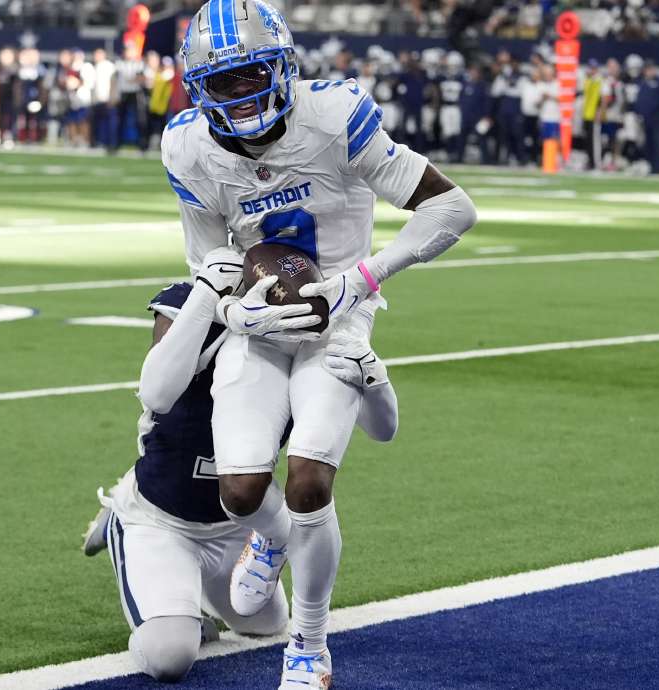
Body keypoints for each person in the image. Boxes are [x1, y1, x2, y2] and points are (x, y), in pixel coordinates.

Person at [165, 1, 478, 685]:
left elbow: (454, 208)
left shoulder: (334, 115)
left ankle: (308, 643)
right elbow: (205, 259)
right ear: (199, 89)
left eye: (254, 76)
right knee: (241, 493)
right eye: (226, 83)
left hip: (341, 319)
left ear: (282, 68)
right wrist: (235, 312)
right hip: (261, 324)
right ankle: (272, 543)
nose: (244, 95)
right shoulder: (188, 145)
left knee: (308, 482)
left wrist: (359, 282)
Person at [81, 253, 398, 683]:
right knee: (170, 655)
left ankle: (193, 590)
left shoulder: (311, 330)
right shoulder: (196, 302)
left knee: (264, 625)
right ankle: (123, 518)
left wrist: (375, 378)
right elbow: (155, 393)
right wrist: (206, 295)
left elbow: (382, 429)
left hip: (238, 524)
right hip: (164, 517)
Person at [633, 59, 659, 174]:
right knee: (648, 143)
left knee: (658, 143)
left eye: (650, 69)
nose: (649, 71)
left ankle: (658, 168)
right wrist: (639, 112)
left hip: (658, 118)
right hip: (646, 118)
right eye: (647, 69)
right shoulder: (642, 82)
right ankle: (650, 166)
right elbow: (640, 100)